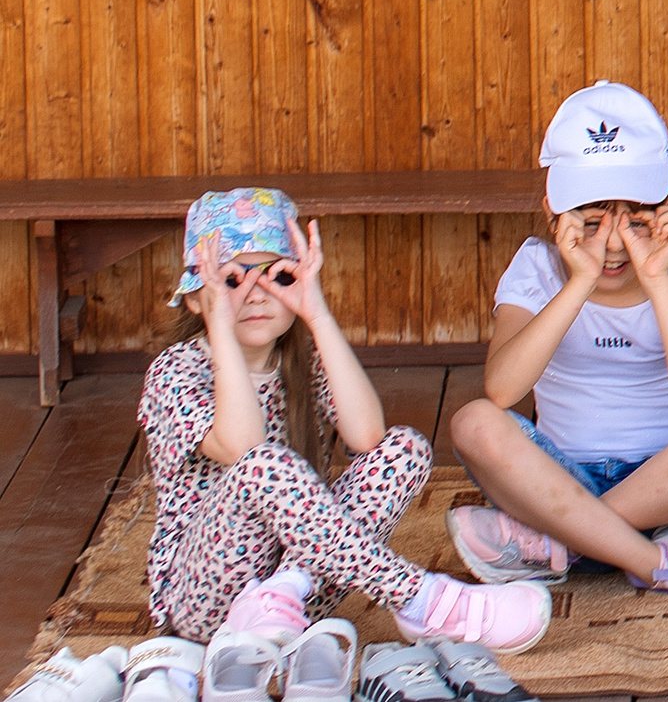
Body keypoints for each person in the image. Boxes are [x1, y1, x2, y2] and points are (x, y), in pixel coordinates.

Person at [140, 189, 548, 660]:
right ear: (196, 299)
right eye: (231, 280)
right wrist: (220, 327)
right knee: (263, 465)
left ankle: (287, 590)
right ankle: (421, 598)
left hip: (300, 596)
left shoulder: (300, 362)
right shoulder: (176, 371)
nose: (254, 294)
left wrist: (314, 311)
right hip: (202, 603)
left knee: (404, 449)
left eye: (276, 275)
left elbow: (368, 437)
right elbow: (244, 449)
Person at [444, 82, 668, 592]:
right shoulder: (537, 267)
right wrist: (579, 281)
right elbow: (504, 390)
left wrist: (659, 279)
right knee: (475, 422)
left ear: (661, 212)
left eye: (634, 223)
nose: (613, 244)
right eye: (592, 223)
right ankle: (654, 559)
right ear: (554, 215)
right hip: (559, 476)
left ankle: (566, 542)